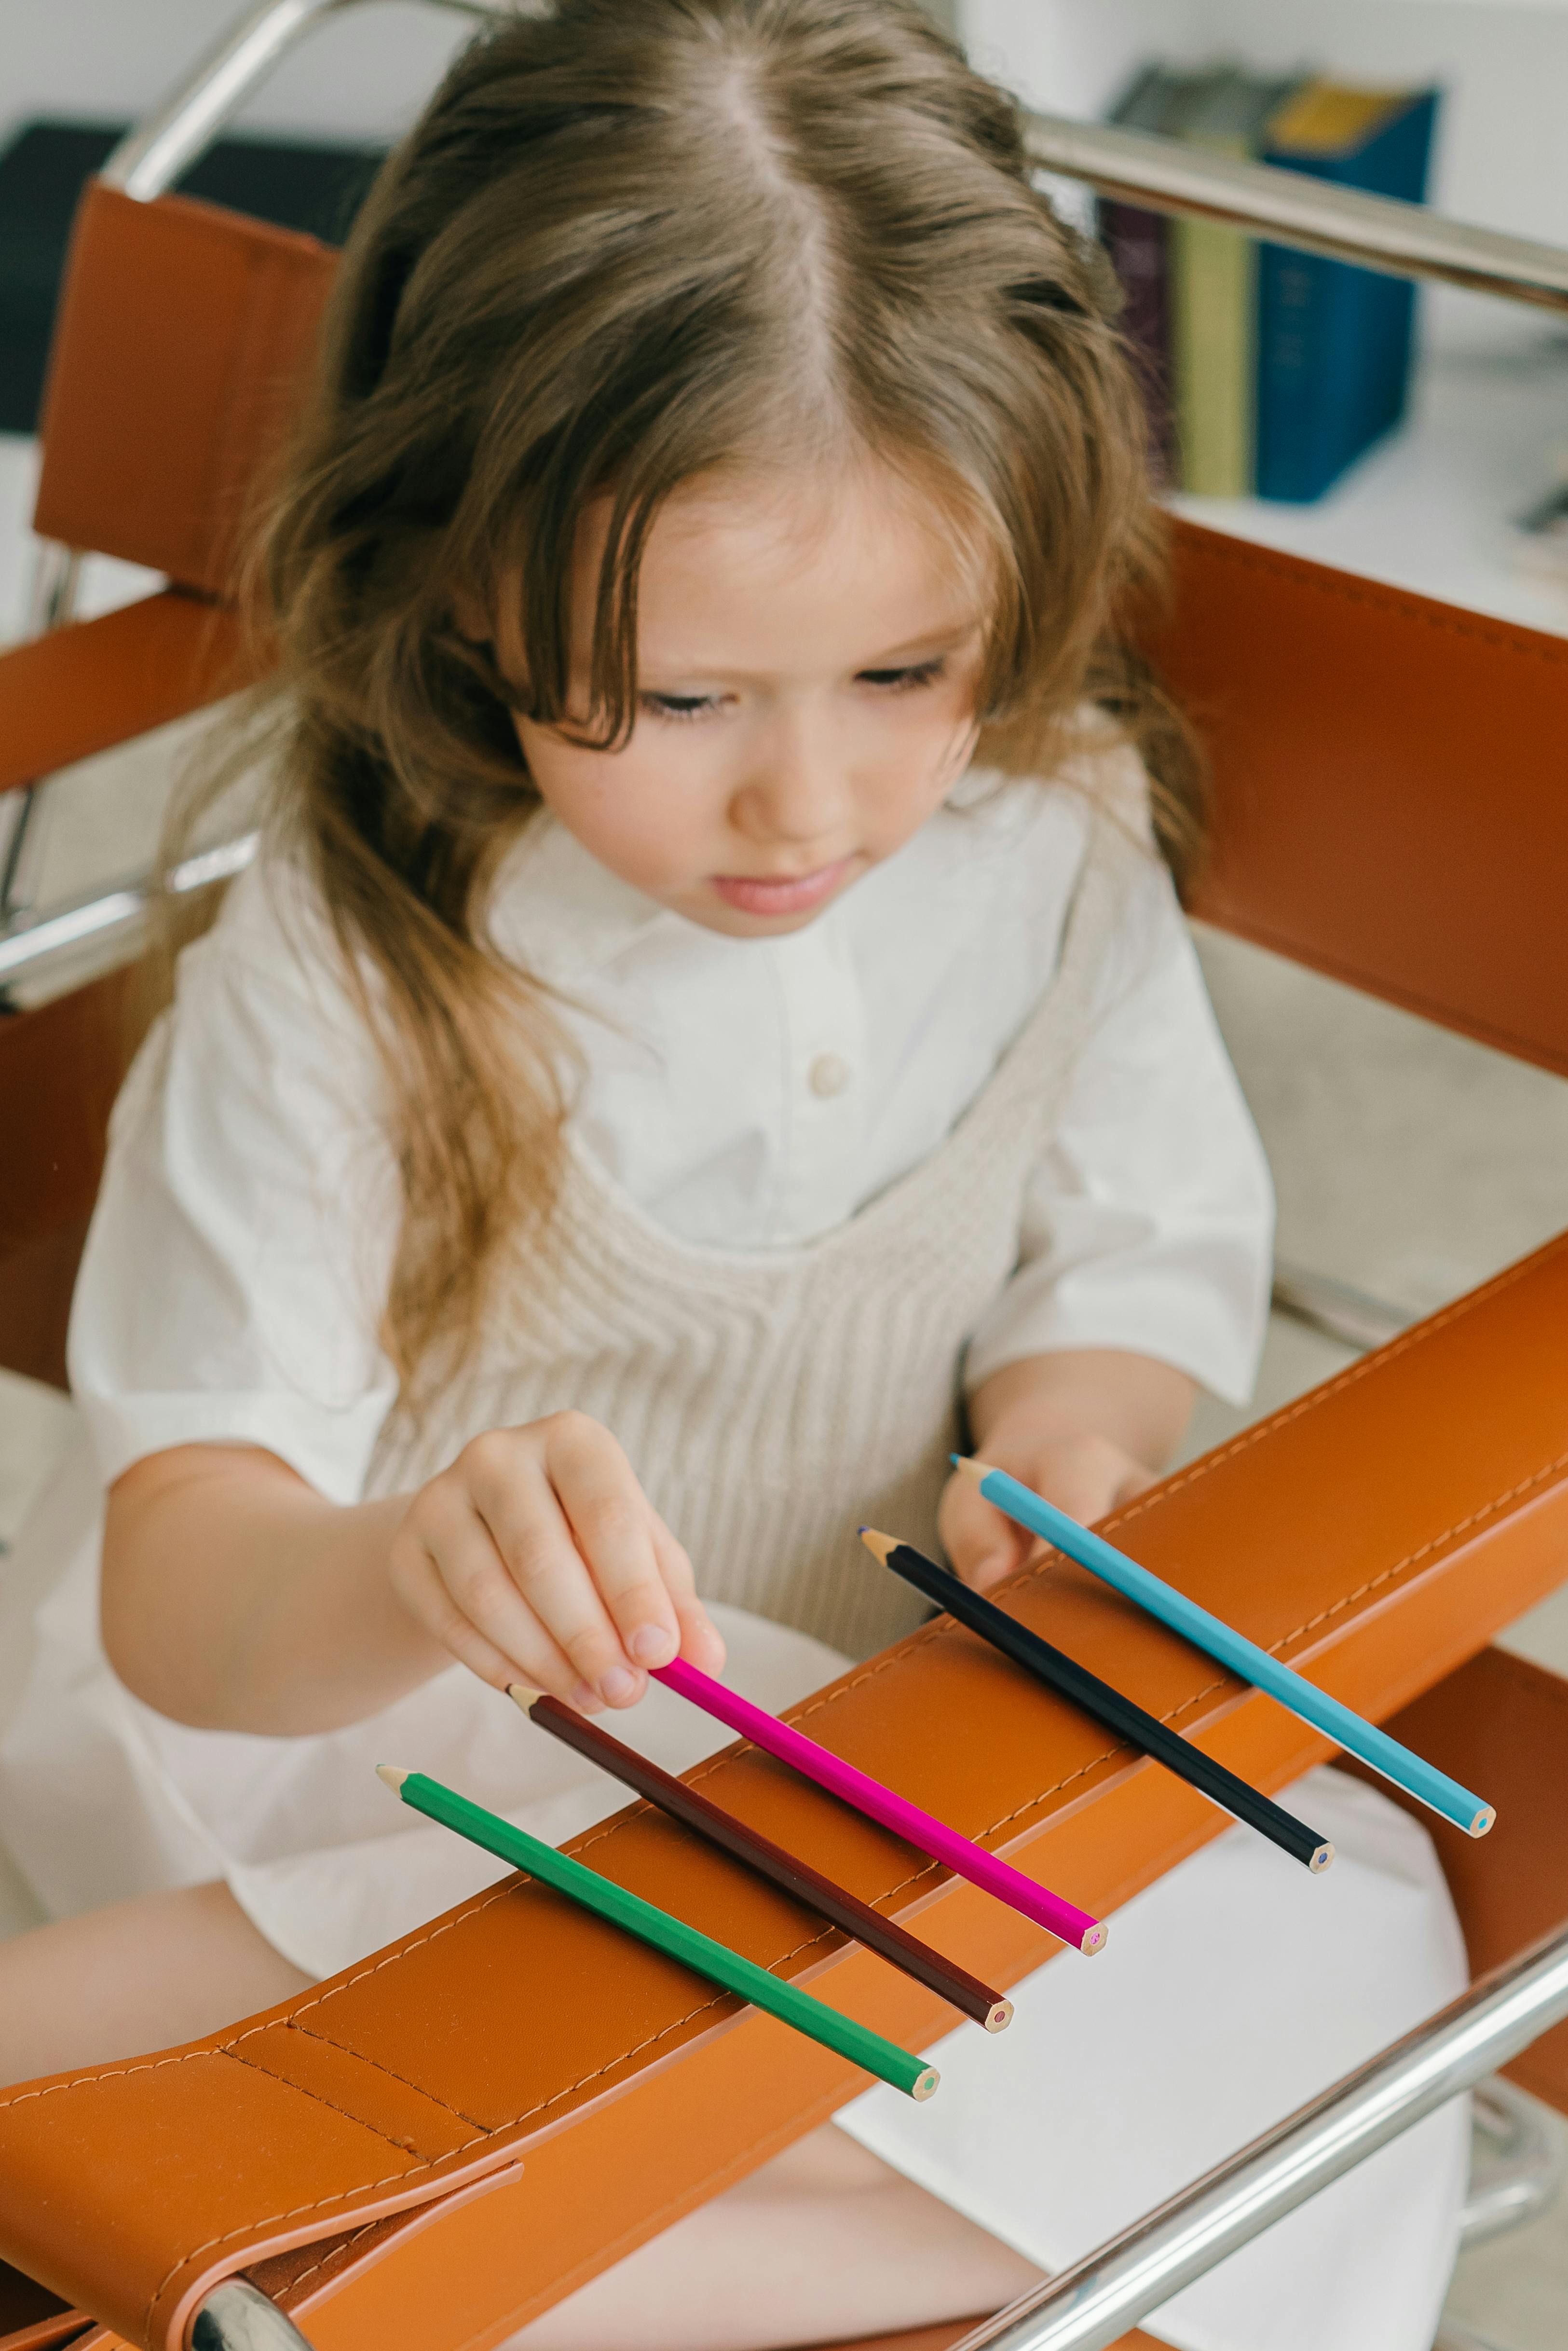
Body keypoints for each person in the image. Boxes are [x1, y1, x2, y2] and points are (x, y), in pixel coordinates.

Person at [0, 5, 1467, 2347]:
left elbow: (1138, 1252)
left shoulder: (1050, 843)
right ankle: (235, 2178)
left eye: (911, 668)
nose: (813, 810)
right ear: (461, 582)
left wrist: (1076, 1438)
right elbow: (190, 1580)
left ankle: (366, 2263)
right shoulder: (363, 947)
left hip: (850, 1726)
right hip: (395, 1737)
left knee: (1357, 1937)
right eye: (684, 703)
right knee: (1189, 2071)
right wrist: (412, 1560)